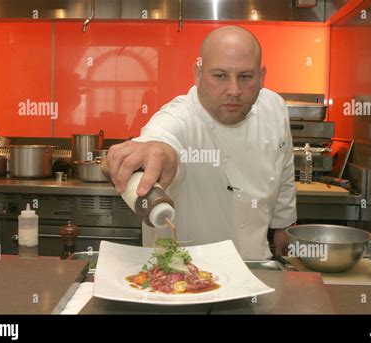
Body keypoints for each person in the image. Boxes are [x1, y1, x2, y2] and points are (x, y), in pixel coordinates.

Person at [106, 26, 296, 260]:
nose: (234, 90)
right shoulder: (179, 118)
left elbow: (284, 169)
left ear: (261, 76)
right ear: (198, 74)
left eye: (246, 77)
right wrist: (154, 150)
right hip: (183, 274)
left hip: (256, 263)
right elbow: (159, 141)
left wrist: (283, 225)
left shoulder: (274, 107)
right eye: (220, 76)